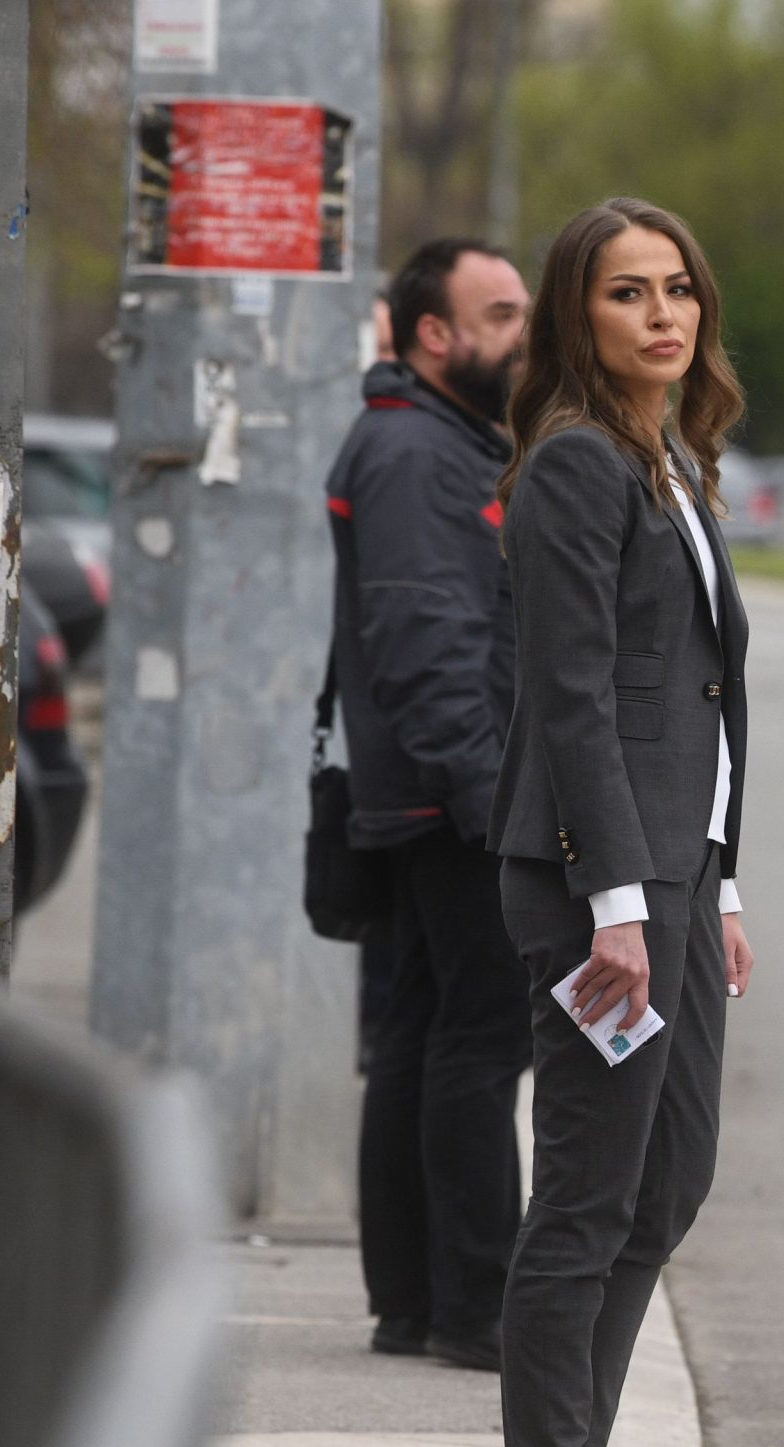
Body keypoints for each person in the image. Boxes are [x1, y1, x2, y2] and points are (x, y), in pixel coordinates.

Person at [484, 198, 755, 1447]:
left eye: (679, 290)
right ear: (577, 319)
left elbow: (693, 703)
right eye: (627, 294)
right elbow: (576, 700)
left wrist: (717, 881)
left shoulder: (671, 465)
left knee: (668, 1177)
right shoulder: (577, 469)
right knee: (589, 1192)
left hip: (673, 877)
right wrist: (618, 906)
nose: (663, 315)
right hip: (606, 891)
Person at [326, 238, 534, 1371]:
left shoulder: (443, 440)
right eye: (500, 313)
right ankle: (475, 1309)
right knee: (480, 1035)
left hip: (426, 789)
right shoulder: (416, 450)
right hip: (452, 795)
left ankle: (411, 1302)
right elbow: (424, 637)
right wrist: (485, 797)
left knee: (421, 1031)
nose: (523, 331)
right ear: (433, 335)